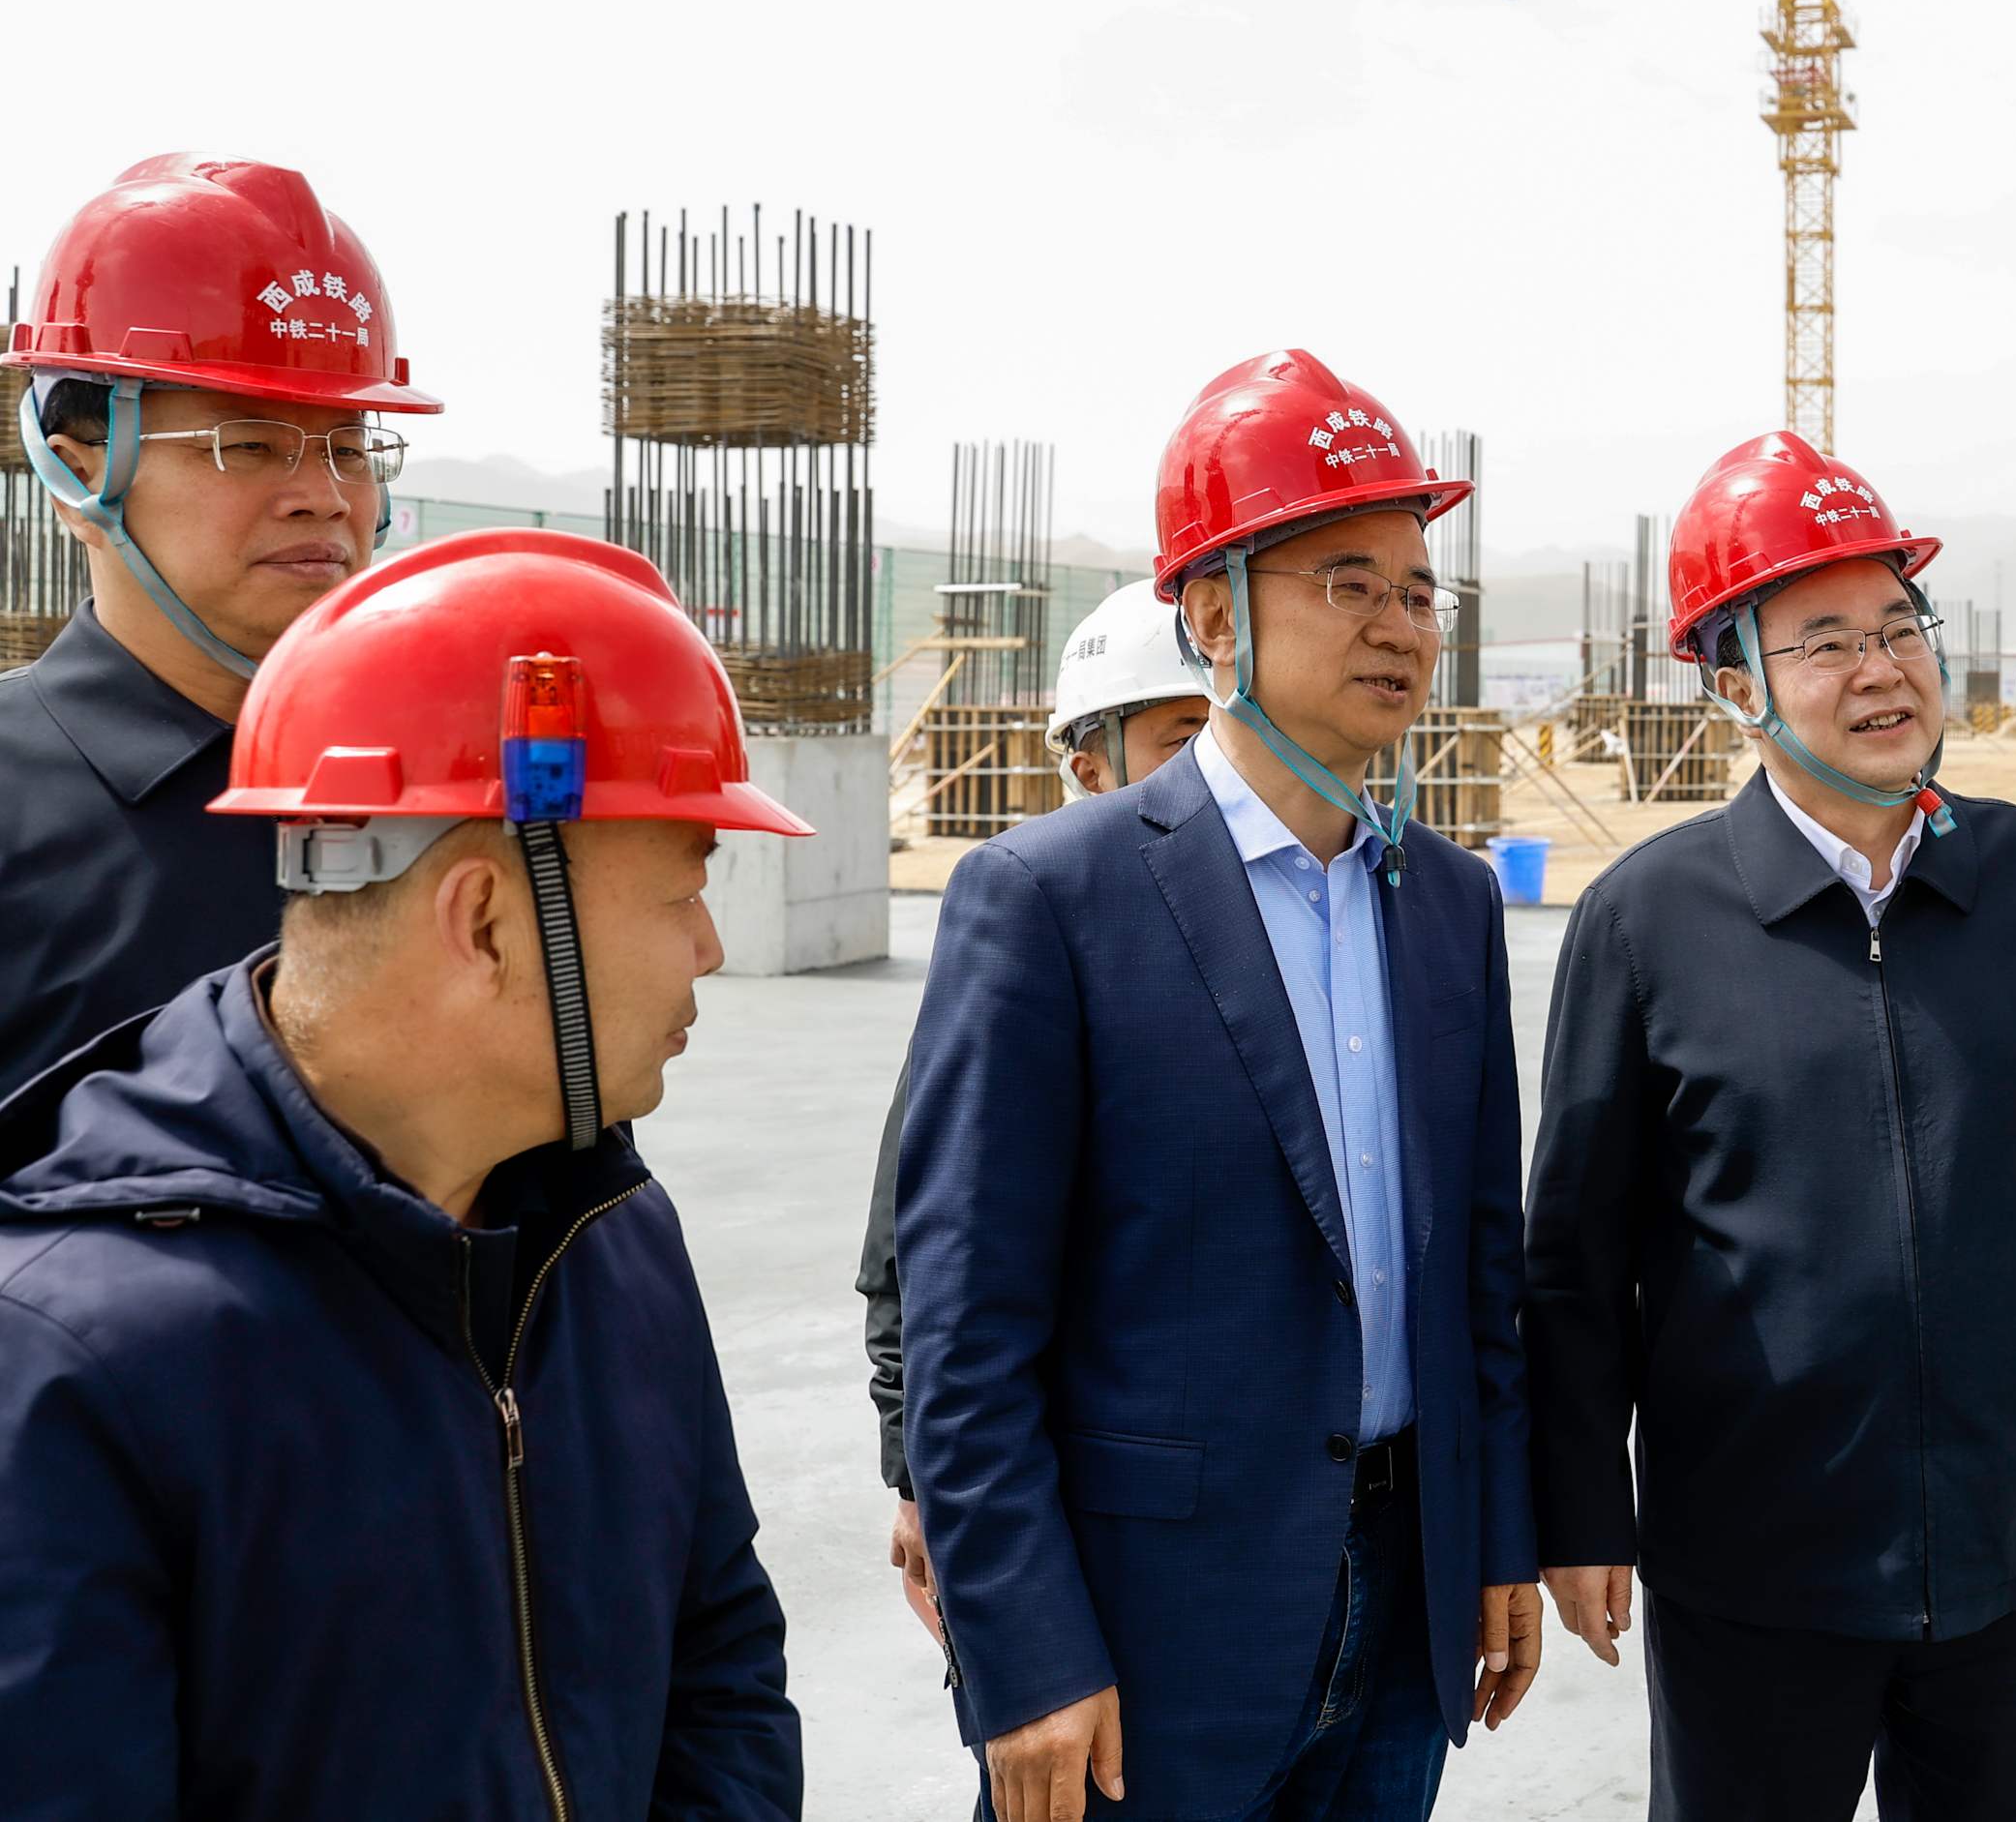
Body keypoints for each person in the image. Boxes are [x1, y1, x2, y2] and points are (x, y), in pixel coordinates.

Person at [0, 528, 808, 1819]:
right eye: (682, 888)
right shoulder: (77, 1353)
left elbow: (718, 1662)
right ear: (483, 920)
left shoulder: (613, 1236)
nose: (710, 947)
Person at [899, 350, 1539, 1822]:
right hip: (1151, 1636)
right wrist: (1023, 1652)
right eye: (1346, 584)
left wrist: (1496, 1534)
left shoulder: (1447, 904)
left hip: (1404, 1609)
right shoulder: (1051, 897)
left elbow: (1480, 1268)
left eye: (1419, 591)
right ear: (1210, 615)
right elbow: (968, 1327)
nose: (1398, 627)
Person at [1524, 430, 2016, 1822]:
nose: (1880, 669)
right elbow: (1574, 1256)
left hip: (1992, 1541)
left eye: (1898, 626)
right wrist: (1578, 1512)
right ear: (1734, 685)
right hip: (1749, 1557)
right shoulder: (1647, 918)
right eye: (1823, 642)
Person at [0, 154, 442, 1081]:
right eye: (247, 444)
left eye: (349, 448)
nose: (325, 495)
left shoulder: (444, 780)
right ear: (77, 477)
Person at [857, 589, 1212, 1648]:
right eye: (1179, 739)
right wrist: (918, 1475)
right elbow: (915, 1251)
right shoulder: (1031, 927)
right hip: (1060, 1497)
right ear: (1089, 766)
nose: (1213, 771)